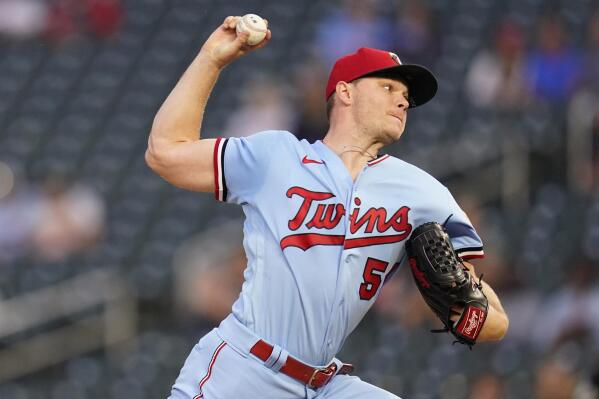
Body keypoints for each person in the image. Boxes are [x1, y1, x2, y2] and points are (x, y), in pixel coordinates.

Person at [146, 15, 509, 399]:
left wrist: (465, 308)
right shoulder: (276, 157)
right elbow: (165, 153)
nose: (402, 99)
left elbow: (494, 323)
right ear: (346, 92)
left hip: (325, 384)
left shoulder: (422, 193)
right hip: (244, 370)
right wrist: (210, 59)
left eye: (406, 95)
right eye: (388, 87)